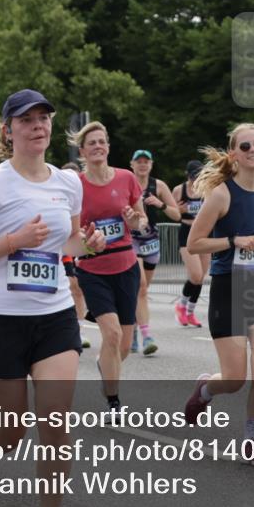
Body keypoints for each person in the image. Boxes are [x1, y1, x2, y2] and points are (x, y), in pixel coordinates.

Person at [0, 89, 104, 507]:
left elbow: (66, 243)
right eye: (26, 119)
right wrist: (14, 241)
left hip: (54, 316)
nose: (38, 125)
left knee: (55, 423)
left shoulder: (68, 182)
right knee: (11, 429)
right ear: (8, 130)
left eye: (44, 118)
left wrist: (88, 245)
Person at [183, 124, 254, 465]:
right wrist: (233, 241)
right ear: (233, 153)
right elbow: (194, 243)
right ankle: (206, 389)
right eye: (245, 146)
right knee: (234, 379)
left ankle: (251, 439)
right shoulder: (221, 195)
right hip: (228, 288)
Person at [69, 122, 147, 412]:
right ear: (82, 151)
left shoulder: (126, 178)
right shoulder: (76, 186)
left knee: (123, 344)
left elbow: (142, 220)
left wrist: (134, 221)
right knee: (111, 334)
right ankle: (114, 401)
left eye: (102, 141)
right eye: (92, 143)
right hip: (92, 269)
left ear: (108, 147)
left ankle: (106, 366)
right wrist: (85, 238)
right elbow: (71, 230)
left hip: (126, 266)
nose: (98, 146)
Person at [129, 149, 180, 355]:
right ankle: (146, 335)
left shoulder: (158, 186)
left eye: (146, 162)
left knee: (141, 291)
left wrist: (161, 204)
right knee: (140, 286)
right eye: (139, 161)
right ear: (132, 164)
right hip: (131, 240)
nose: (142, 165)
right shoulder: (126, 182)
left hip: (151, 241)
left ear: (151, 165)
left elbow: (176, 215)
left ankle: (132, 327)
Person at [173, 161, 208, 327]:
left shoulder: (207, 189)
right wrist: (179, 211)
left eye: (199, 176)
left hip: (204, 233)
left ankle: (190, 312)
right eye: (193, 177)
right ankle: (181, 305)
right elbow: (172, 212)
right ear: (187, 175)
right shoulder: (179, 190)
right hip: (187, 232)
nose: (196, 180)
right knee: (195, 274)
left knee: (200, 277)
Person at [60, 162, 91, 350]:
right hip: (61, 250)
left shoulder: (84, 197)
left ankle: (79, 329)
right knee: (71, 285)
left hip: (79, 247)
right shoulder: (55, 196)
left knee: (77, 288)